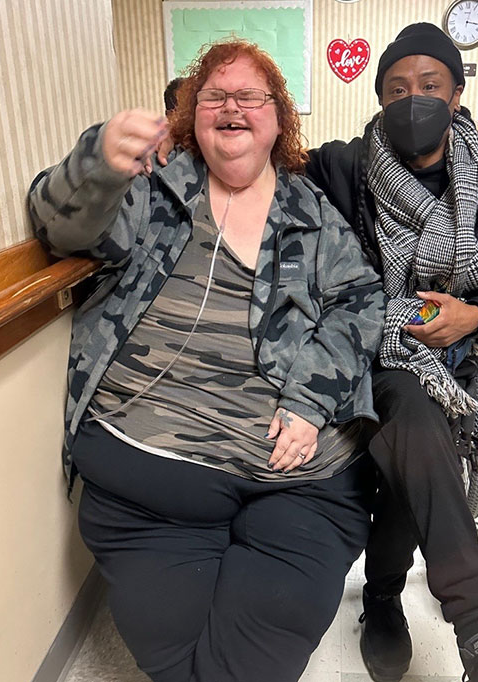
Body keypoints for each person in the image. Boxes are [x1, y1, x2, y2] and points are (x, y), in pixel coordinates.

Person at [29, 39, 386, 682]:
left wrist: (309, 401)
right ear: (191, 115)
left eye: (252, 96)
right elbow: (63, 229)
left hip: (299, 478)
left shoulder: (311, 212)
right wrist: (99, 161)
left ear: (279, 118)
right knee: (175, 647)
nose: (232, 106)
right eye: (215, 95)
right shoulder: (154, 191)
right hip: (153, 471)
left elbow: (360, 301)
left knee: (258, 649)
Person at [304, 23, 478, 682]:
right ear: (379, 99)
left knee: (417, 430)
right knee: (409, 407)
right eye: (397, 89)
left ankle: (385, 598)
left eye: (429, 86)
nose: (414, 100)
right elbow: (264, 161)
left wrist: (473, 313)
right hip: (359, 355)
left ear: (457, 95)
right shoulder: (344, 169)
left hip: (448, 362)